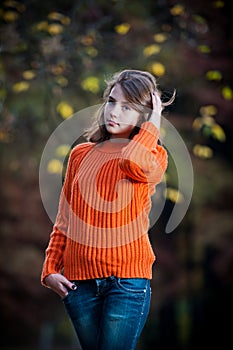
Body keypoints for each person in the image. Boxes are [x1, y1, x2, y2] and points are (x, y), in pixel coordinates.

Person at [41, 69, 175, 350]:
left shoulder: (153, 157)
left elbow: (130, 161)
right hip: (79, 285)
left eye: (127, 107)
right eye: (112, 101)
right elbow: (66, 216)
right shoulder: (80, 154)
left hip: (126, 283)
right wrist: (51, 267)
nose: (114, 112)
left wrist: (155, 122)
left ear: (144, 115)